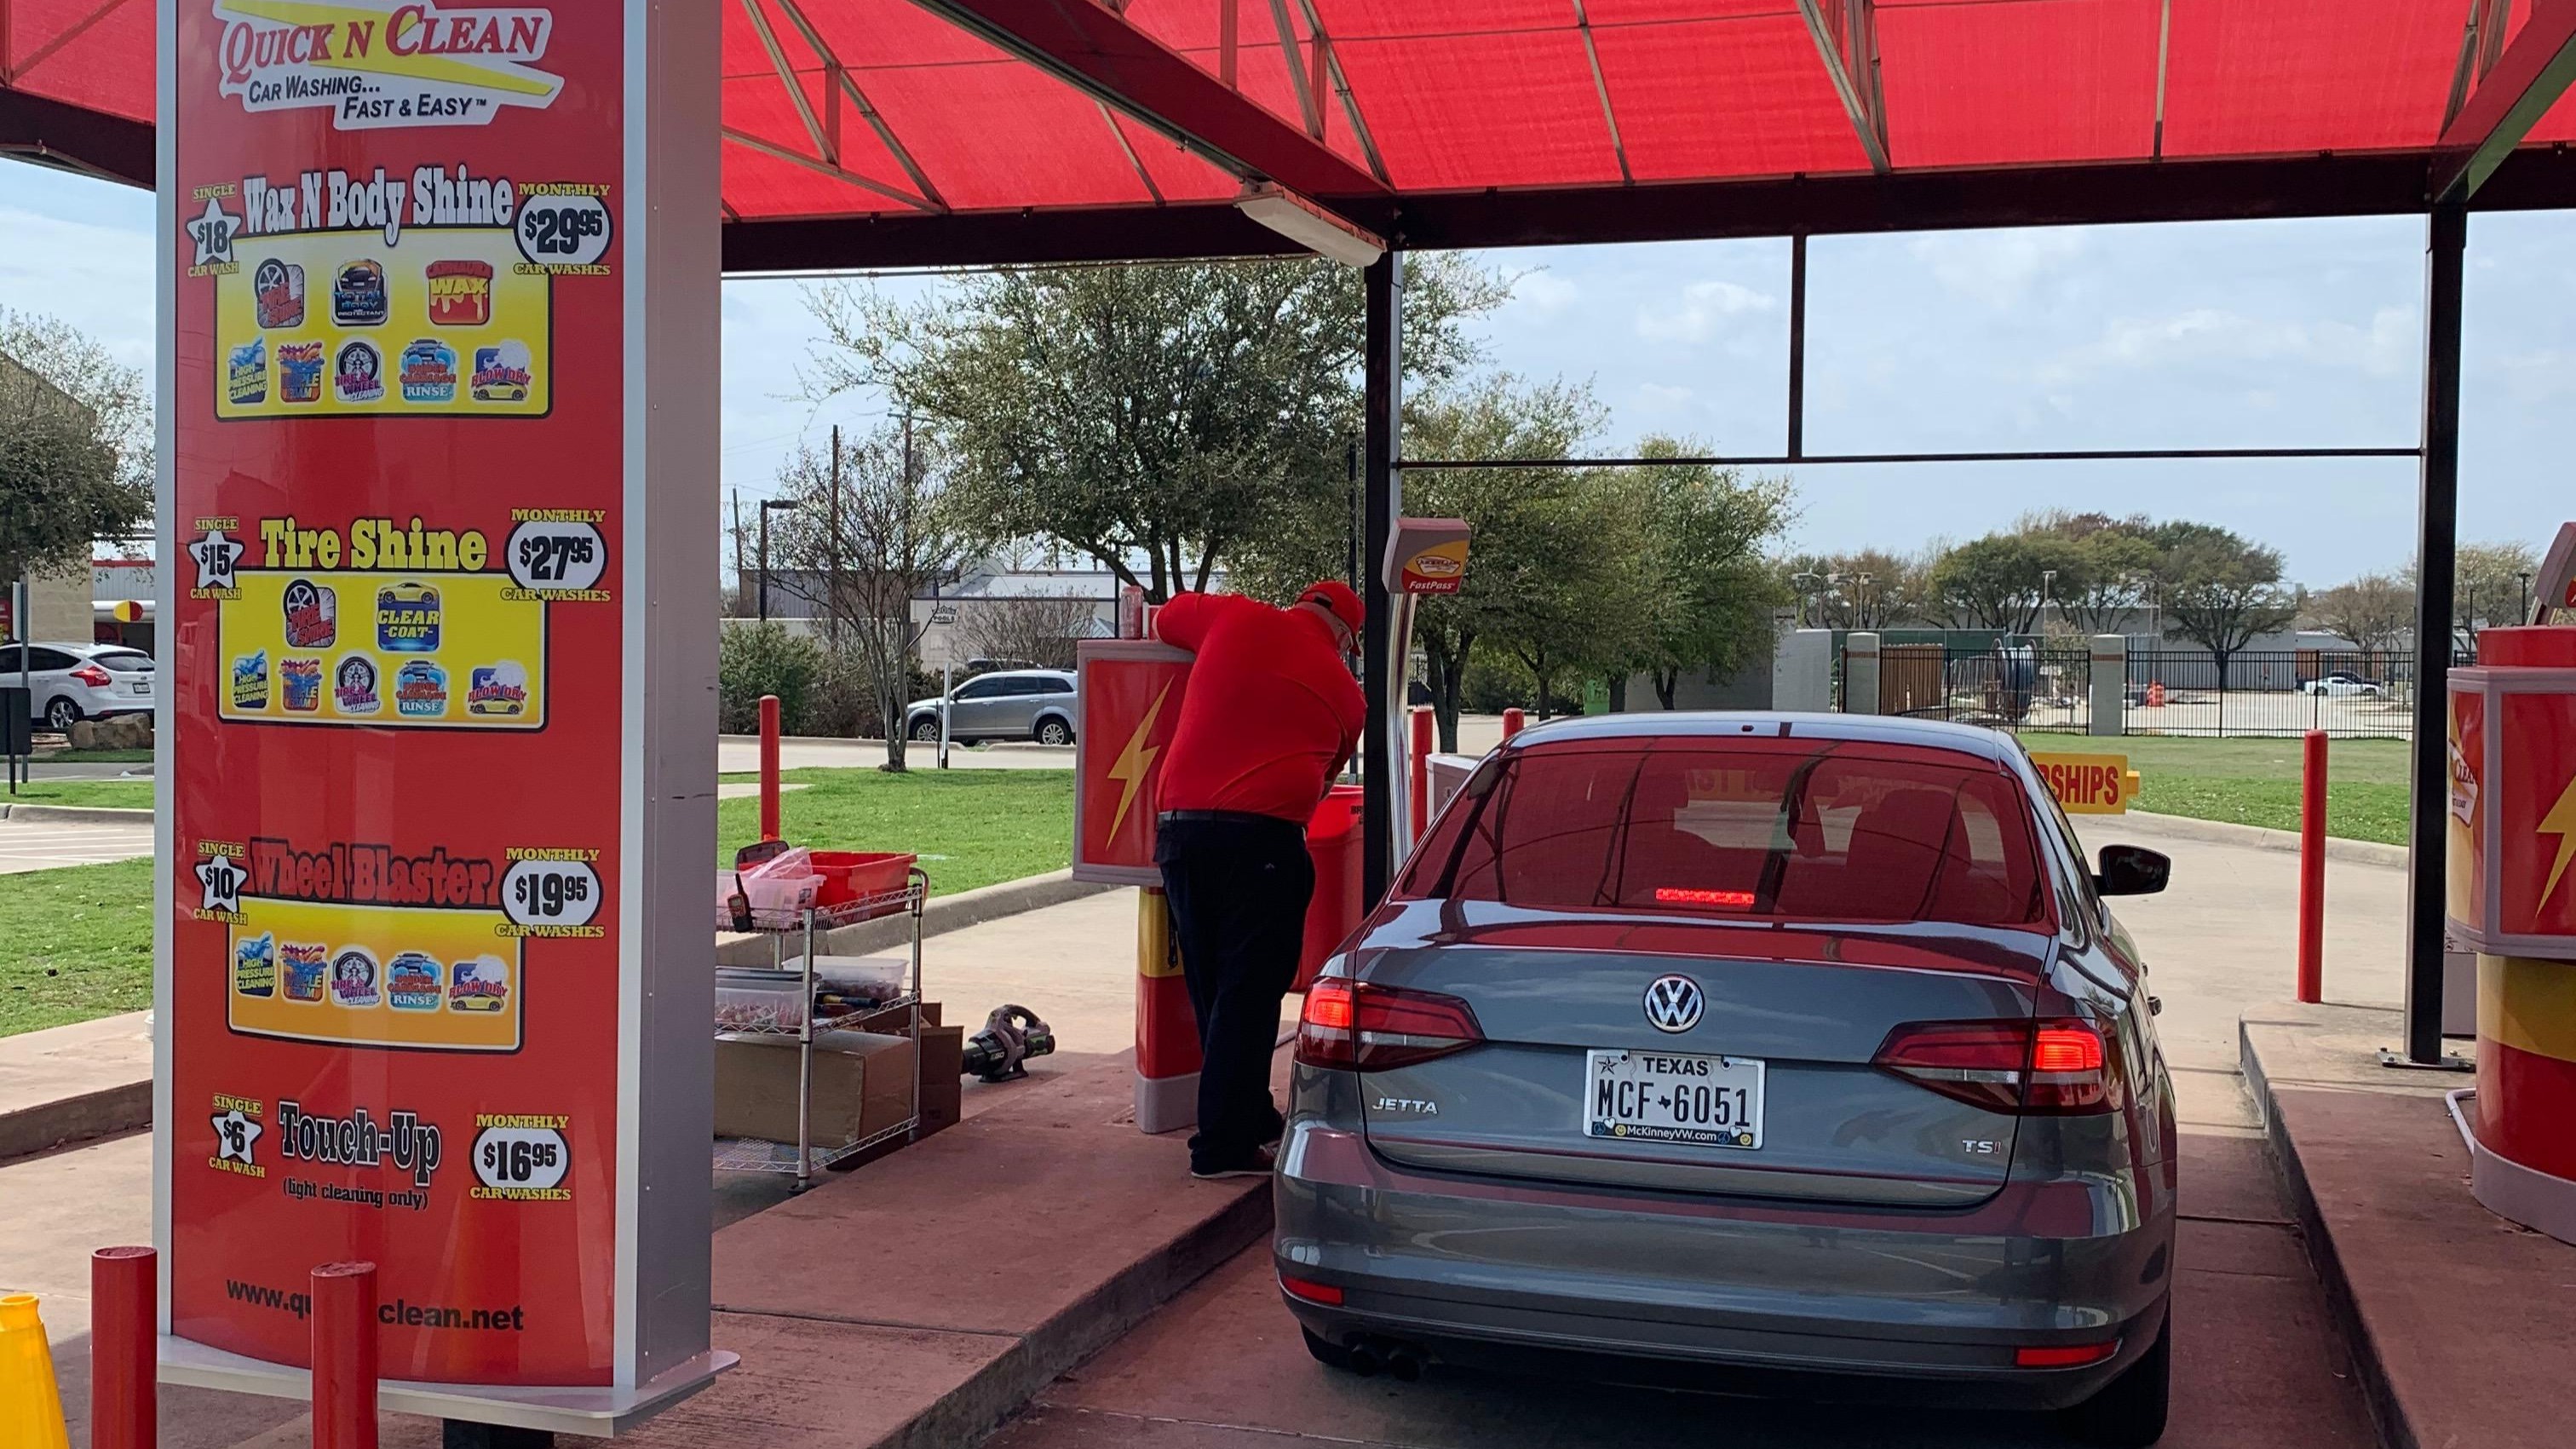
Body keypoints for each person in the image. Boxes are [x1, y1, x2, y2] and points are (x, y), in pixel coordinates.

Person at [1152, 579, 1366, 1179]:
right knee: (1249, 993)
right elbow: (1324, 776)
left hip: (1180, 829)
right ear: (1347, 638)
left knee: (1214, 988)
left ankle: (1247, 1111)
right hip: (1264, 839)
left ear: (1299, 602)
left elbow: (1165, 619)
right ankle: (1220, 1145)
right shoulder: (1348, 696)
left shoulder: (1232, 616)